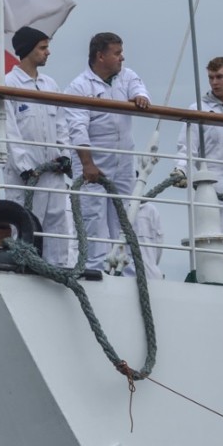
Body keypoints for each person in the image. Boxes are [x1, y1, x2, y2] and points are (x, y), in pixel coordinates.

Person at [64, 32, 150, 271]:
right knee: (93, 218)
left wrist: (141, 97)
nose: (122, 58)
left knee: (125, 219)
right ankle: (93, 269)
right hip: (93, 164)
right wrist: (88, 164)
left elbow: (138, 87)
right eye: (117, 53)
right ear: (100, 56)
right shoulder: (78, 87)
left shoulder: (126, 76)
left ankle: (129, 270)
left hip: (123, 163)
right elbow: (77, 129)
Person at [4, 26, 72, 266]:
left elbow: (62, 123)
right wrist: (25, 167)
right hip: (26, 176)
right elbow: (8, 130)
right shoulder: (8, 84)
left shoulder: (50, 85)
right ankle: (25, 267)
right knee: (26, 222)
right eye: (43, 48)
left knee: (57, 224)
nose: (48, 52)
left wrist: (65, 155)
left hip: (53, 172)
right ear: (28, 50)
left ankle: (58, 269)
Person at [175, 56, 223, 284]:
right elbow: (187, 147)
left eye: (219, 77)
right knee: (221, 249)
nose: (214, 82)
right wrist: (180, 170)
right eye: (211, 77)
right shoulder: (199, 109)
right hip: (216, 192)